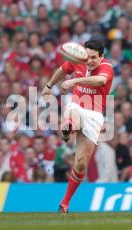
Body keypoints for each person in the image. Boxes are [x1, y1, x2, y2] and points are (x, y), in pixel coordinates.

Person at [42, 39, 114, 213]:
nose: (90, 61)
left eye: (94, 58)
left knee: (81, 164)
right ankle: (68, 127)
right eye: (88, 57)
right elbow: (62, 69)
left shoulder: (107, 67)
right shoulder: (77, 61)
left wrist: (74, 82)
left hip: (95, 115)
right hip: (76, 105)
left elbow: (100, 81)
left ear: (101, 56)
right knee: (72, 112)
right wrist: (48, 85)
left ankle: (65, 203)